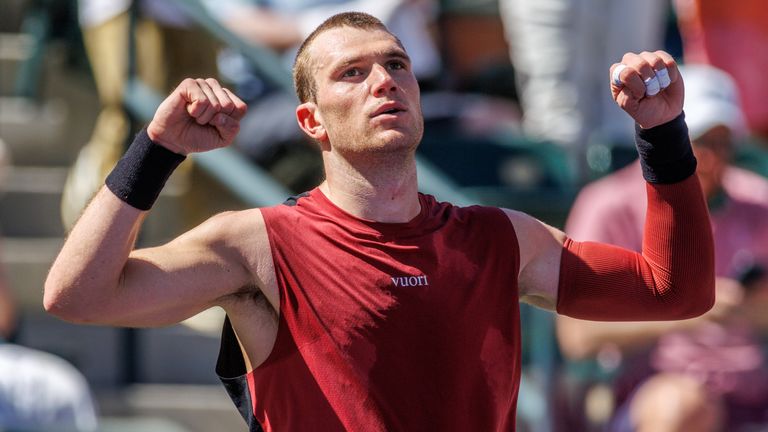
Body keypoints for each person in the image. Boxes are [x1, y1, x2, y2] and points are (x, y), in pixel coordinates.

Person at [44, 12, 715, 431]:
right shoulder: (256, 243)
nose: (384, 81)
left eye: (397, 65)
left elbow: (675, 291)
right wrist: (155, 150)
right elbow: (78, 295)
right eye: (352, 73)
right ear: (310, 121)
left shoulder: (502, 238)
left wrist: (662, 134)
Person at [558, 65, 768, 431]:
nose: (713, 158)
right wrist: (692, 310)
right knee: (683, 408)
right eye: (699, 141)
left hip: (754, 391)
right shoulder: (608, 204)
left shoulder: (758, 198)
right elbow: (578, 337)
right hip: (647, 394)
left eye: (723, 143)